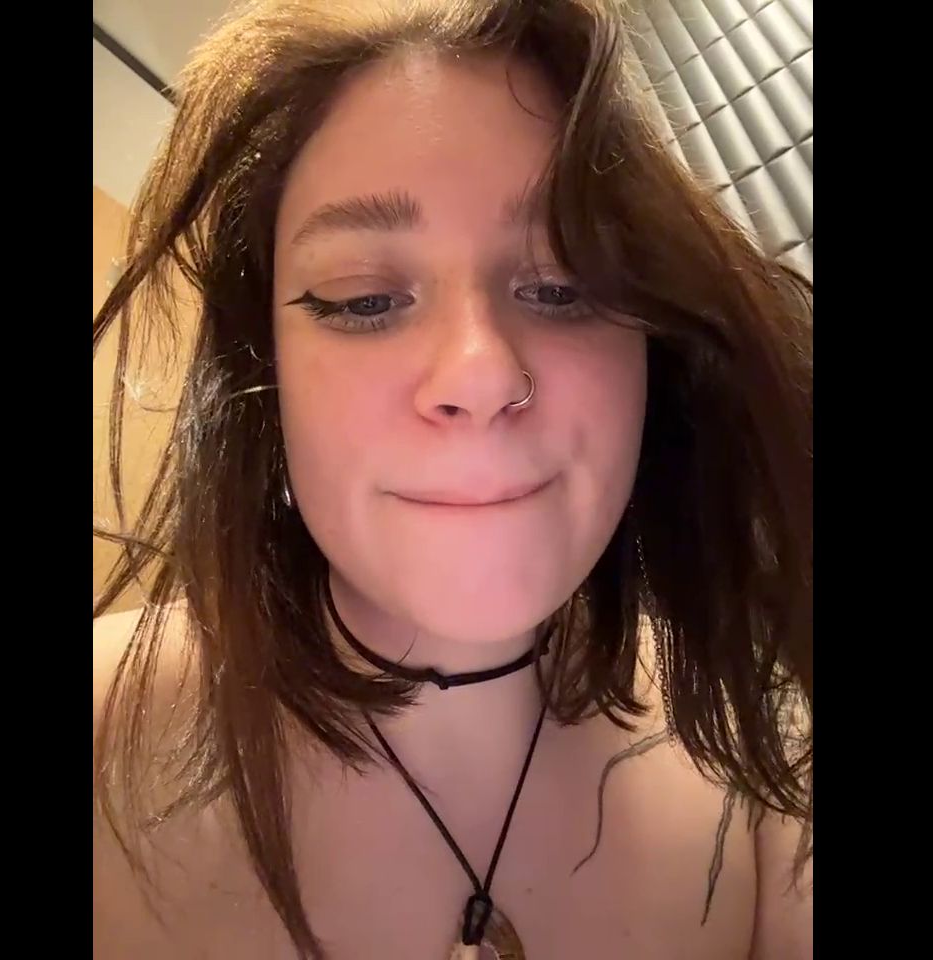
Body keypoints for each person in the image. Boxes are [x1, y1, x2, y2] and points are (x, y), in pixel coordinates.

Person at [92, 1, 813, 958]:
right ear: (265, 375)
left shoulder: (763, 745)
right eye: (364, 299)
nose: (480, 375)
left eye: (561, 287)